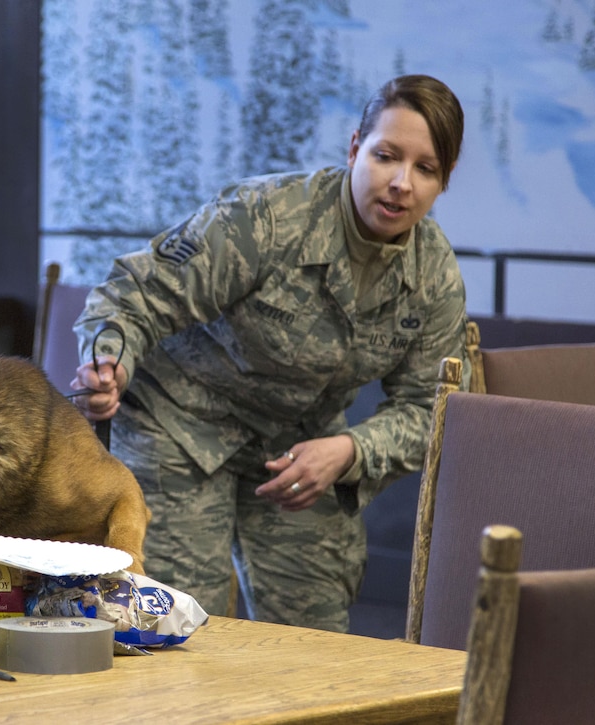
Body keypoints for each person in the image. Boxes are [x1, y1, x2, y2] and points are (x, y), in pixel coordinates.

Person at [70, 74, 469, 632]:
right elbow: (135, 295)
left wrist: (350, 450)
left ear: (443, 182)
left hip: (296, 450)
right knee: (179, 624)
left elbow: (435, 409)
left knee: (317, 633)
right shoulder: (267, 218)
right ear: (355, 149)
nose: (401, 182)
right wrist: (108, 362)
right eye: (386, 156)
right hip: (180, 429)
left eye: (425, 169)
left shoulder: (434, 277)